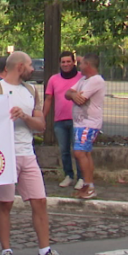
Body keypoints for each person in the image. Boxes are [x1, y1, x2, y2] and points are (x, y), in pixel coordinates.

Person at [0, 51, 73, 255]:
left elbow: (41, 125)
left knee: (39, 201)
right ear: (20, 67)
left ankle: (45, 249)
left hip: (27, 153)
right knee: (5, 203)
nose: (34, 69)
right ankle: (6, 251)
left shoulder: (31, 90)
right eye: (31, 65)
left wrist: (24, 116)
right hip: (4, 156)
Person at [66, 53, 106, 200]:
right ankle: (87, 186)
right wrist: (72, 94)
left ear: (88, 65)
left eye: (81, 63)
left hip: (89, 123)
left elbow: (81, 99)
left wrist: (74, 96)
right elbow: (68, 93)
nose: (79, 66)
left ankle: (88, 186)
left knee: (79, 152)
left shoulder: (96, 81)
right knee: (85, 153)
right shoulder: (83, 80)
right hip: (80, 122)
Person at [43, 51, 84, 190]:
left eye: (68, 61)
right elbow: (48, 99)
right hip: (59, 121)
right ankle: (69, 176)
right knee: (64, 150)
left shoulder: (81, 77)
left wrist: (82, 59)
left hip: (78, 120)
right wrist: (42, 117)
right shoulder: (53, 79)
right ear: (60, 64)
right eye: (63, 62)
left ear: (74, 63)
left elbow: (93, 70)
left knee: (78, 149)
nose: (66, 64)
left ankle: (82, 178)